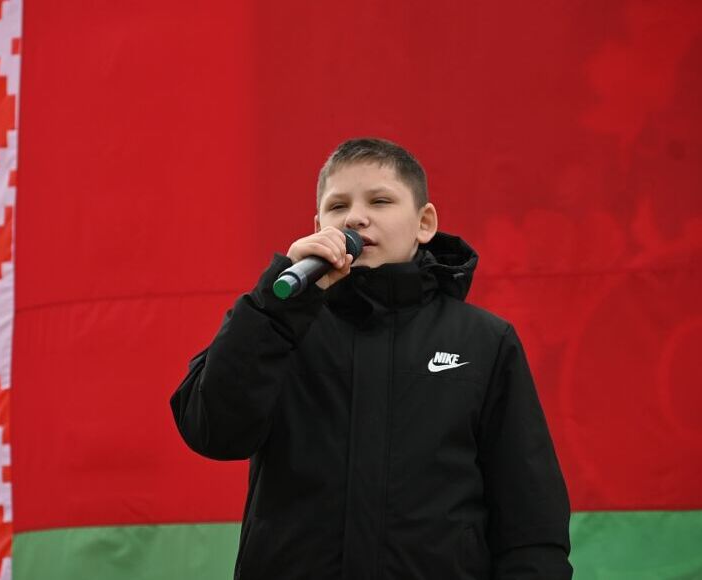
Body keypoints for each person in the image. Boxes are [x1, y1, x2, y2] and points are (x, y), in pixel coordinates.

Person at [170, 138, 572, 579]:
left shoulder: (485, 341)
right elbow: (213, 431)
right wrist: (274, 307)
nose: (355, 218)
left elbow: (531, 520)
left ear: (424, 223)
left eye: (380, 201)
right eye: (337, 206)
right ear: (318, 226)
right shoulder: (278, 326)